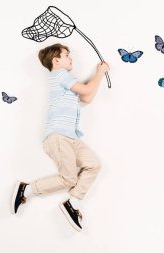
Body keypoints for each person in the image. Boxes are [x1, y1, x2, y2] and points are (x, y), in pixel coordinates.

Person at [11, 43, 110, 232]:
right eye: (67, 55)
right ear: (56, 60)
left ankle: (72, 202)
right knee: (69, 179)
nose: (70, 58)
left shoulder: (67, 80)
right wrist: (100, 72)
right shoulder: (60, 75)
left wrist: (99, 74)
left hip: (70, 137)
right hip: (58, 136)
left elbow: (87, 98)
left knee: (94, 164)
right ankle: (27, 189)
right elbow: (88, 91)